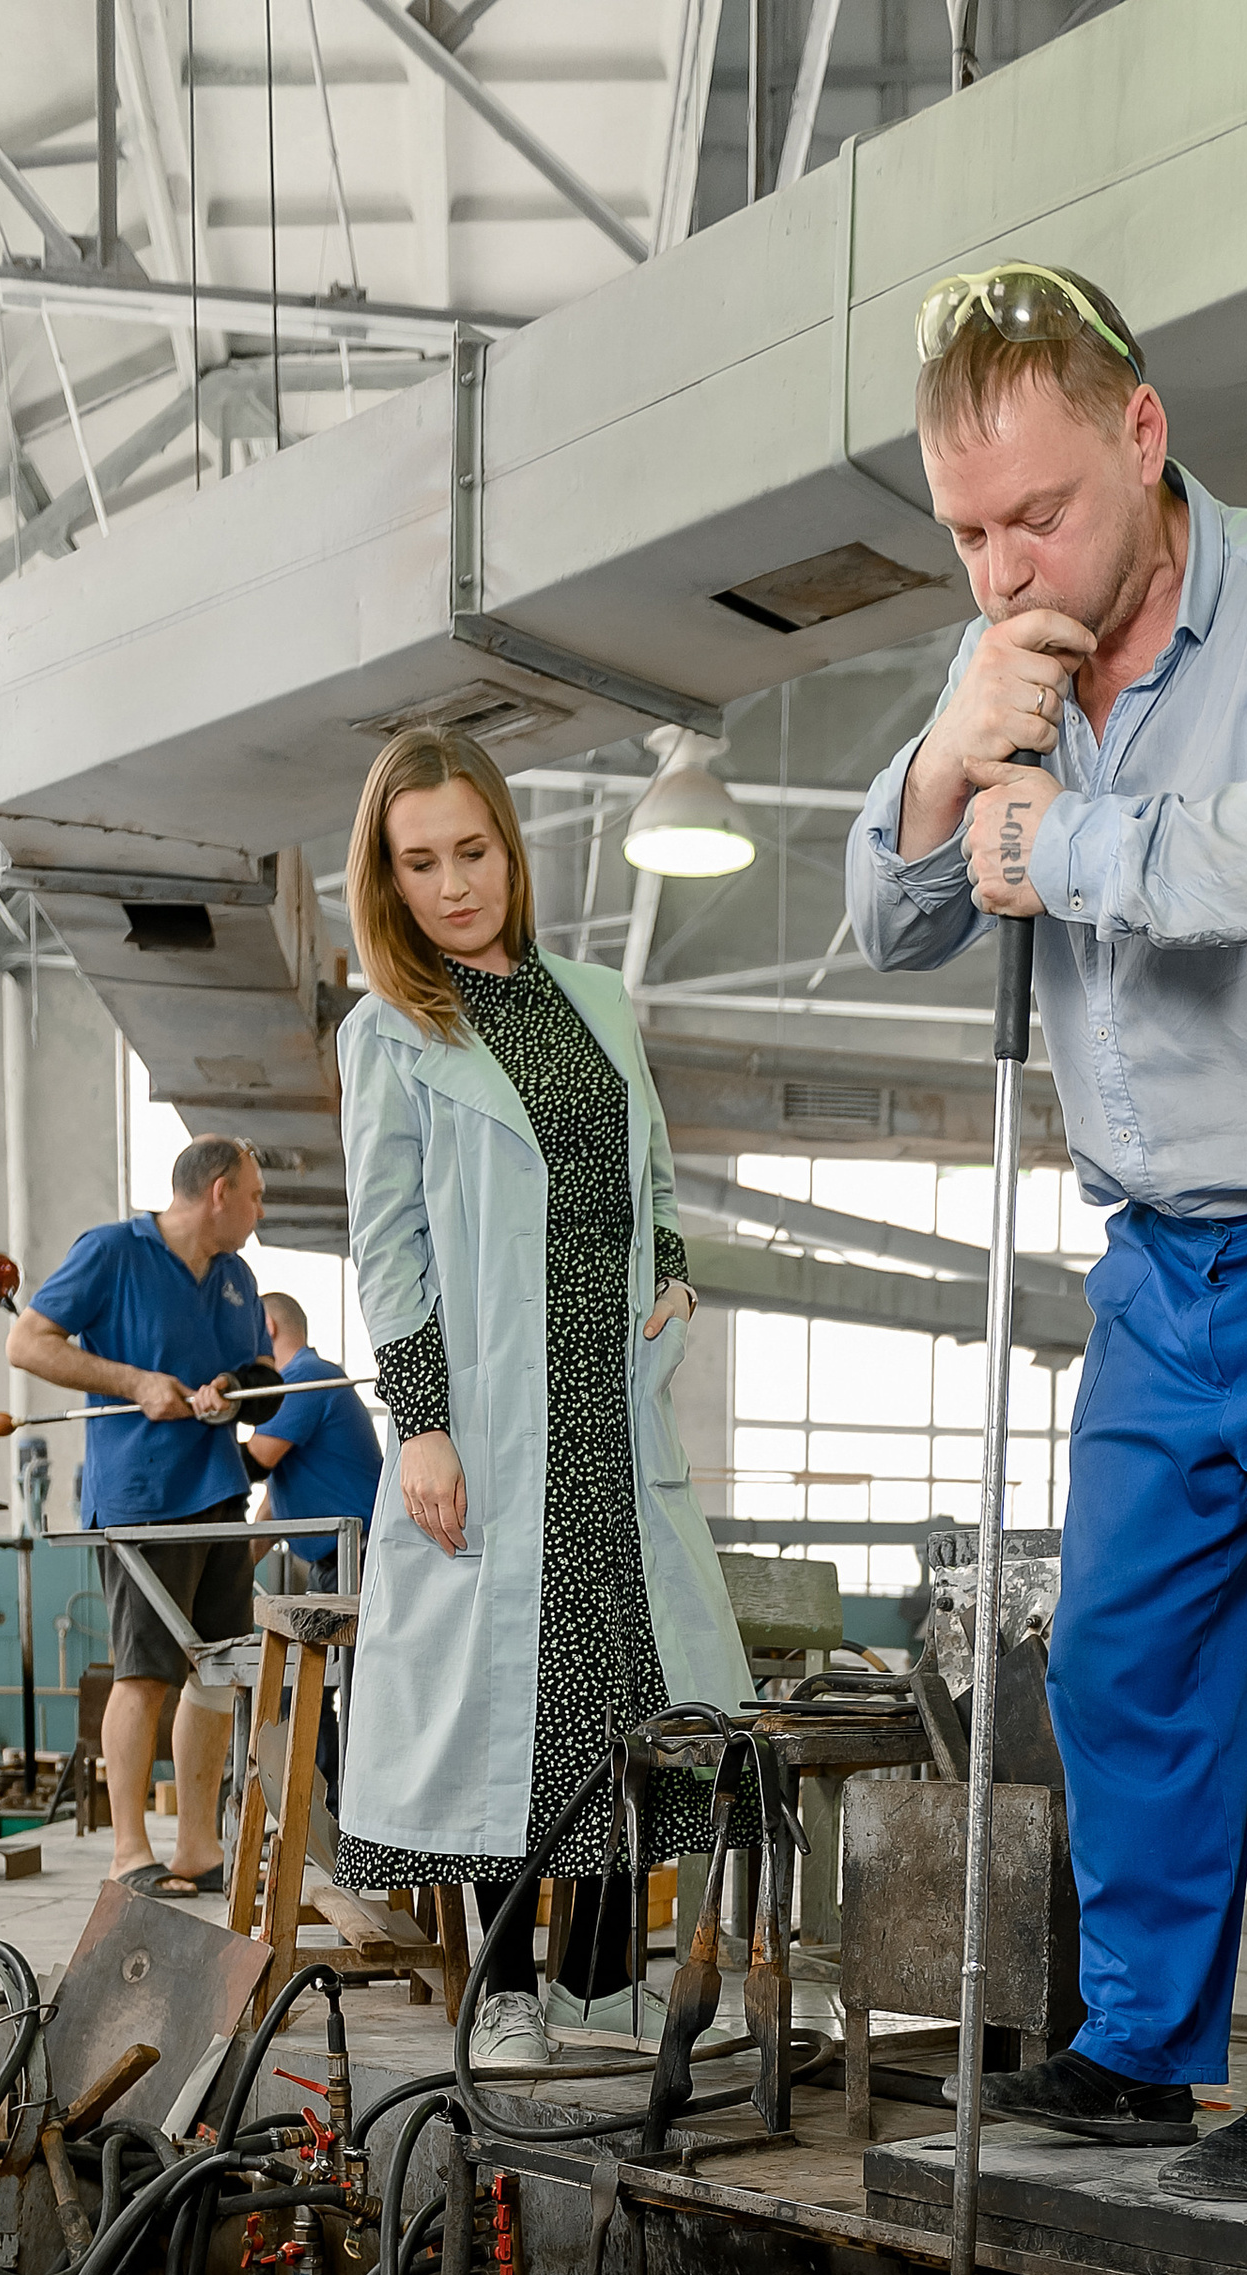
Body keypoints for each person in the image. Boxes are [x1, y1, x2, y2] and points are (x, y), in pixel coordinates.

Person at [847, 264, 1247, 2200]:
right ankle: (1137, 2048)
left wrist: (1074, 844)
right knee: (1124, 1658)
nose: (1002, 565)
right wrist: (948, 756)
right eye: (966, 532)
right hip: (1155, 1264)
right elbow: (890, 918)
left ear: (1141, 435)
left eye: (1036, 514)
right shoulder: (1009, 664)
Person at [332, 726, 748, 2075]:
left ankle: (597, 1982)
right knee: (494, 1716)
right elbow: (387, 1244)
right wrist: (422, 1424)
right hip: (489, 1415)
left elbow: (654, 1172)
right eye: (420, 863)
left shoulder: (599, 1002)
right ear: (387, 879)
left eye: (473, 852)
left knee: (622, 1698)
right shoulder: (390, 1031)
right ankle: (505, 1990)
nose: (453, 885)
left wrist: (671, 1276)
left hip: (609, 1409)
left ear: (511, 851)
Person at [9, 1136, 270, 1895]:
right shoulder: (112, 1252)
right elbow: (27, 1342)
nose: (260, 1212)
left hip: (217, 1491)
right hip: (142, 1498)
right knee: (145, 1673)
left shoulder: (237, 1277)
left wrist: (230, 1388)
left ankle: (197, 1846)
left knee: (218, 1672)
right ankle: (129, 1853)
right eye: (255, 1196)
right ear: (219, 1191)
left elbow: (262, 1377)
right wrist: (134, 1383)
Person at [244, 1285, 385, 1584]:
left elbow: (254, 1460)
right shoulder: (306, 1378)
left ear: (267, 1326)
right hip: (329, 1563)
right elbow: (273, 1504)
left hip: (356, 1557)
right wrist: (238, 1572)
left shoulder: (304, 1377)